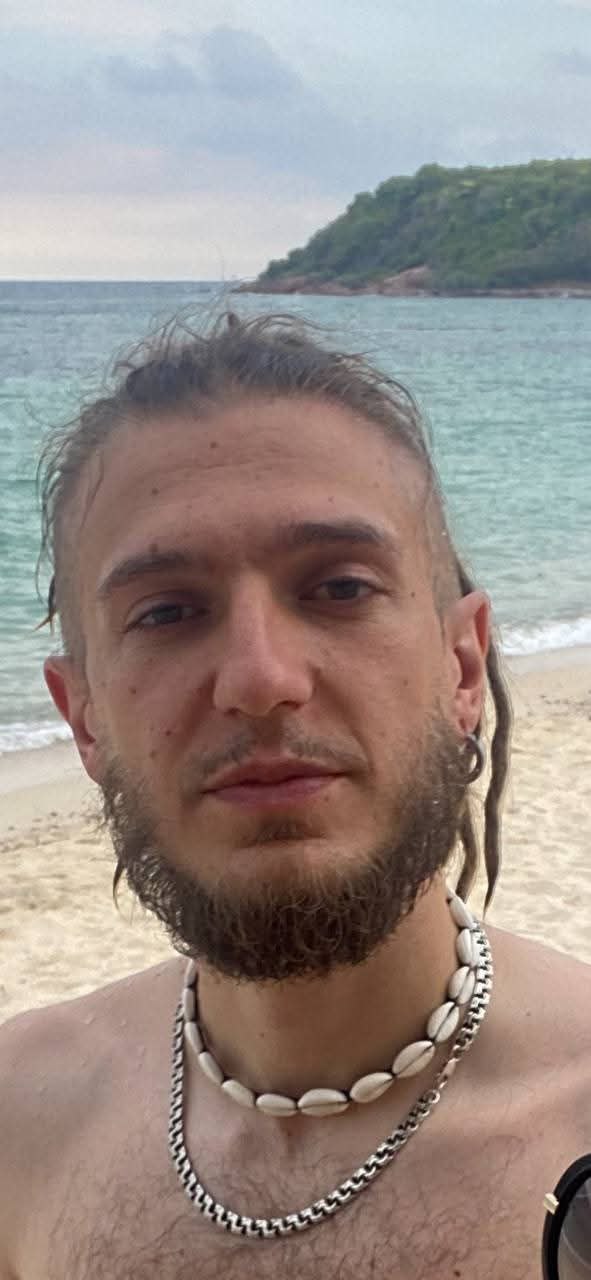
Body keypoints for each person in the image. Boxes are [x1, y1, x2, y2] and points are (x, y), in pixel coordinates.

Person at [0, 312, 588, 1280]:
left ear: (461, 667)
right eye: (168, 610)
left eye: (340, 588)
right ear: (84, 717)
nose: (260, 678)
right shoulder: (25, 1124)